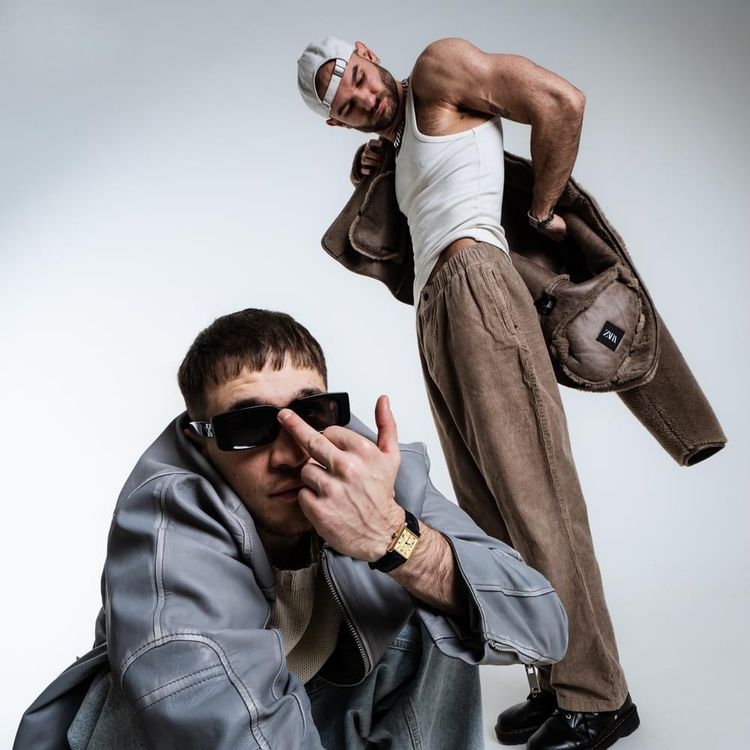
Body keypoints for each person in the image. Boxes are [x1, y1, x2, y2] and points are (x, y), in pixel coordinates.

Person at [14, 307, 568, 750]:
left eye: (311, 413)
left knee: (437, 595)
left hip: (311, 709)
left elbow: (544, 630)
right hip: (180, 733)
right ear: (200, 441)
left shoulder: (367, 470)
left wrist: (393, 537)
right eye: (249, 426)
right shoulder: (166, 524)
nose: (292, 453)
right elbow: (227, 727)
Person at [297, 36, 640, 750]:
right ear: (336, 121)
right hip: (437, 310)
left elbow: (561, 102)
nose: (363, 95)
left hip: (478, 283)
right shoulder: (397, 147)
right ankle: (552, 680)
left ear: (367, 53)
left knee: (538, 496)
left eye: (357, 75)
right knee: (489, 513)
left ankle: (599, 697)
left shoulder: (437, 69)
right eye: (346, 102)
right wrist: (382, 164)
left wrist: (542, 210)